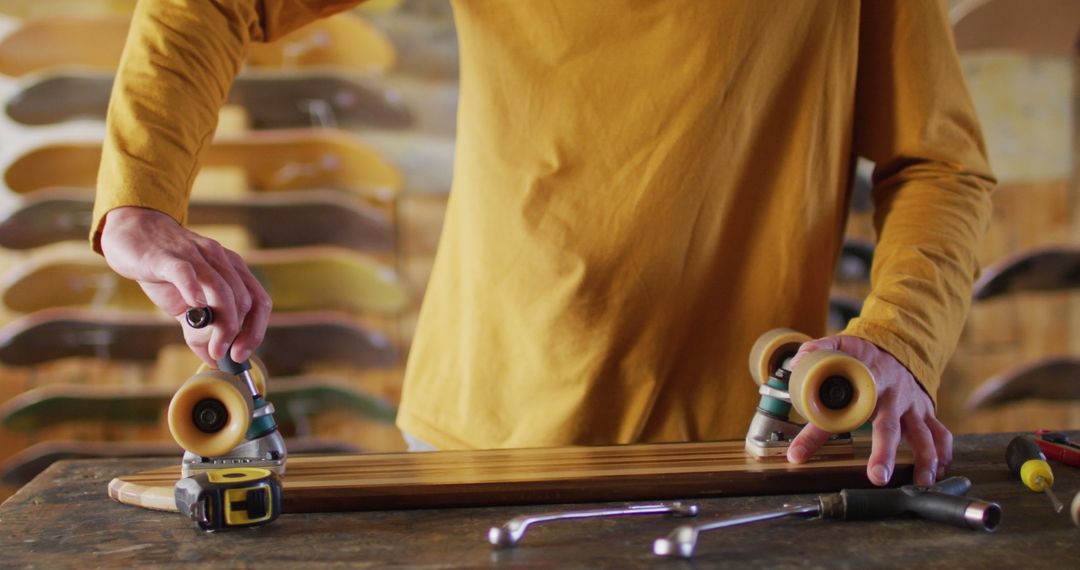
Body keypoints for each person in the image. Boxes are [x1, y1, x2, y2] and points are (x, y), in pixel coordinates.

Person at [94, 1, 995, 488]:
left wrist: (899, 338)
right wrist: (138, 204)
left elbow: (940, 162)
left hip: (741, 457)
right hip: (477, 440)